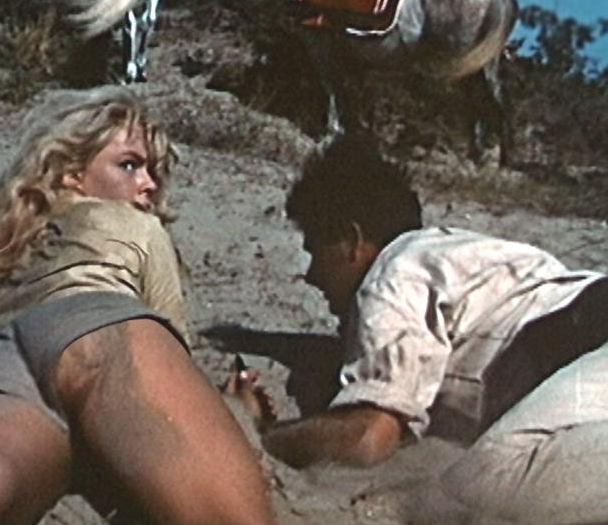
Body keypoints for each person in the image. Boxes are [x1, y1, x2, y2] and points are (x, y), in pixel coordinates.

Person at [0, 88, 275, 525]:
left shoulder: (17, 237)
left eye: (153, 171)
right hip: (95, 323)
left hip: (1, 357)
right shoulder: (137, 225)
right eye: (129, 165)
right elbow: (170, 348)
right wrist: (235, 407)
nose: (148, 184)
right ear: (72, 172)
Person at [238, 133, 608, 524]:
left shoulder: (390, 274)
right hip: (584, 343)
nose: (311, 275)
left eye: (314, 251)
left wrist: (254, 431)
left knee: (479, 487)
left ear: (352, 240)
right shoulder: (453, 255)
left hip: (585, 342)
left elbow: (368, 438)